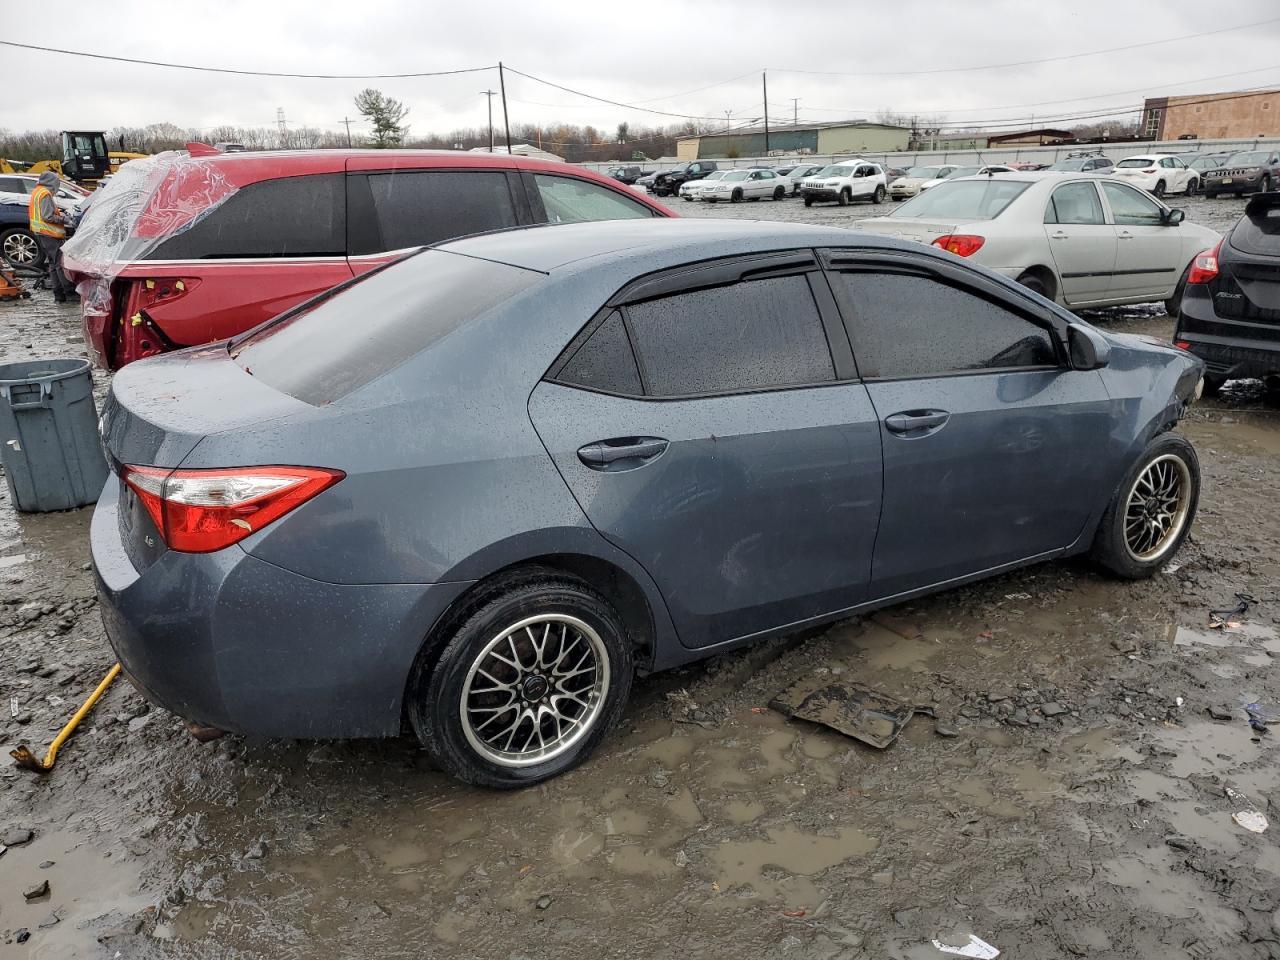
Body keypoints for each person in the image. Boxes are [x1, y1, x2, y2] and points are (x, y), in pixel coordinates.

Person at [28, 171, 75, 303]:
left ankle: (59, 295)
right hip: (50, 234)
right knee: (60, 264)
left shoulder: (37, 191)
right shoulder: (45, 194)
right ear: (52, 182)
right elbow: (47, 216)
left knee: (53, 265)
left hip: (42, 233)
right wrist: (64, 219)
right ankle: (69, 293)